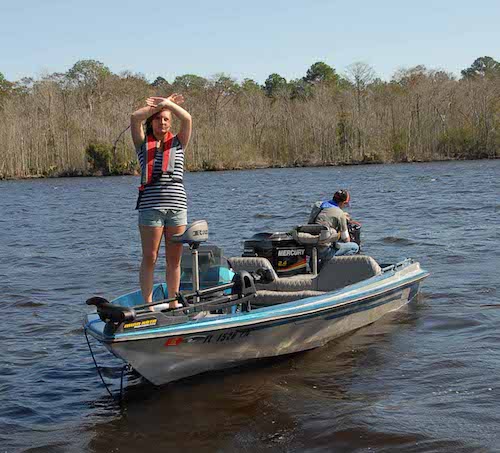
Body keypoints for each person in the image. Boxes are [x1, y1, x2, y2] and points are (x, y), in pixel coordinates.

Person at [130, 94, 192, 309]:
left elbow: (188, 119)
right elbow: (134, 118)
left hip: (176, 207)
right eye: (158, 119)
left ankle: (174, 303)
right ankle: (147, 305)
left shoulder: (178, 142)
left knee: (174, 260)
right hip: (150, 207)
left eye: (166, 119)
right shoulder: (142, 144)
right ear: (152, 122)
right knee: (150, 256)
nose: (162, 122)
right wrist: (157, 106)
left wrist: (168, 104)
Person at [310, 189, 359, 262]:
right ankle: (331, 267)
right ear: (343, 203)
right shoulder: (340, 214)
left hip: (310, 248)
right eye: (346, 204)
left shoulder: (319, 206)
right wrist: (343, 220)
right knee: (354, 247)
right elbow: (346, 239)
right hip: (324, 251)